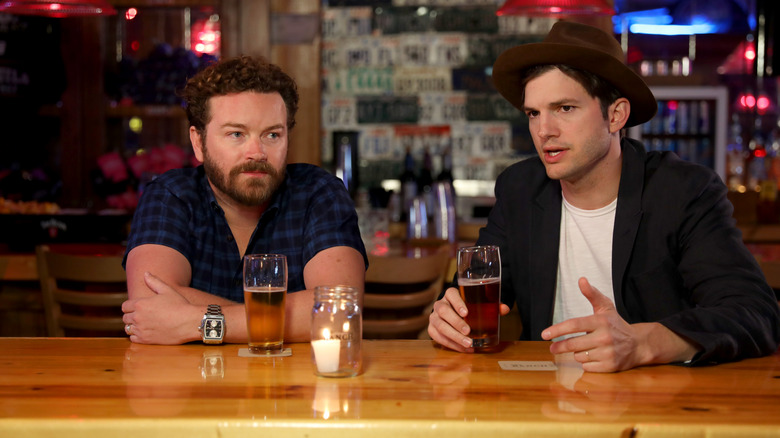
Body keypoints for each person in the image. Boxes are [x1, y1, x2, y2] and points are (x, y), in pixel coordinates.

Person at [428, 21, 780, 372]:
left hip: (659, 407)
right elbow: (478, 293)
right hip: (544, 406)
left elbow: (755, 313)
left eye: (565, 108)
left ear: (615, 116)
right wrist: (449, 315)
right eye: (534, 113)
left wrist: (644, 343)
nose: (543, 131)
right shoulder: (520, 188)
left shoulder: (683, 191)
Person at [121, 55, 367, 345]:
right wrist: (294, 318)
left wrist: (199, 321)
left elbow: (340, 313)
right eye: (236, 134)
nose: (257, 152)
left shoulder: (320, 193)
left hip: (295, 387)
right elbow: (149, 307)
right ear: (198, 142)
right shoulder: (169, 196)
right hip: (191, 387)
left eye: (272, 134)